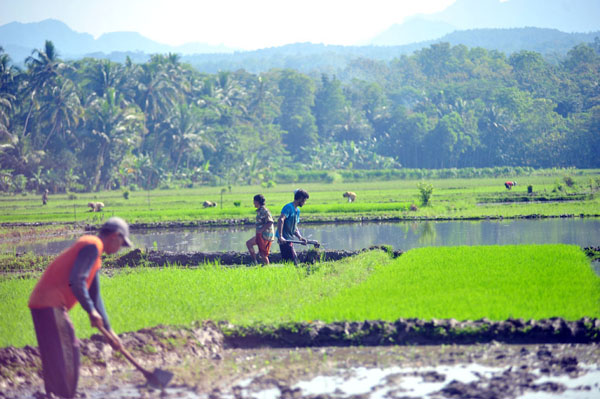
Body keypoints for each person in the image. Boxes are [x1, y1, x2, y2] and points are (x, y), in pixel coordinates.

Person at [28, 216, 132, 398]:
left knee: (55, 354)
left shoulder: (95, 256)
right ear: (115, 236)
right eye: (122, 244)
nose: (119, 249)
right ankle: (66, 395)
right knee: (69, 350)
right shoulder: (92, 245)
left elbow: (95, 295)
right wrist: (90, 311)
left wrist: (109, 330)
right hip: (51, 303)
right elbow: (76, 281)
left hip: (43, 303)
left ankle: (54, 394)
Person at [276, 189, 309, 265]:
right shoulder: (288, 207)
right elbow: (281, 220)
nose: (305, 203)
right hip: (284, 240)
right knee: (292, 261)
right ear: (300, 198)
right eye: (304, 200)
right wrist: (280, 236)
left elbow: (294, 227)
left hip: (289, 239)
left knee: (292, 261)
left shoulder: (297, 210)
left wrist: (300, 237)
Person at [246, 194, 275, 264]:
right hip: (261, 234)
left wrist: (260, 230)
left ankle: (265, 267)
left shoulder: (264, 211)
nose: (253, 203)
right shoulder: (260, 211)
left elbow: (270, 222)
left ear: (258, 202)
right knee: (249, 244)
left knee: (263, 254)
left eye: (254, 201)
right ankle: (255, 262)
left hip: (265, 235)